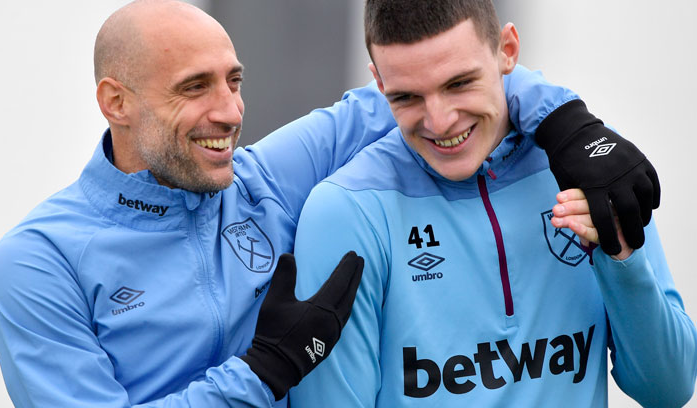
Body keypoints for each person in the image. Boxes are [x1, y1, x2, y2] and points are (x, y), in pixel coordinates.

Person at [0, 0, 663, 407]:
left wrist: (573, 127)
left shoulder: (261, 181)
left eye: (235, 80)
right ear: (115, 102)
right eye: (194, 88)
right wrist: (262, 373)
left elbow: (445, 77)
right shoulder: (38, 262)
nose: (229, 112)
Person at [289, 1, 697, 407]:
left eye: (459, 83)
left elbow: (668, 389)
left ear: (508, 51)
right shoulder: (345, 212)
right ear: (379, 83)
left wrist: (620, 253)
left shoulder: (590, 167)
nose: (439, 121)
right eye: (407, 97)